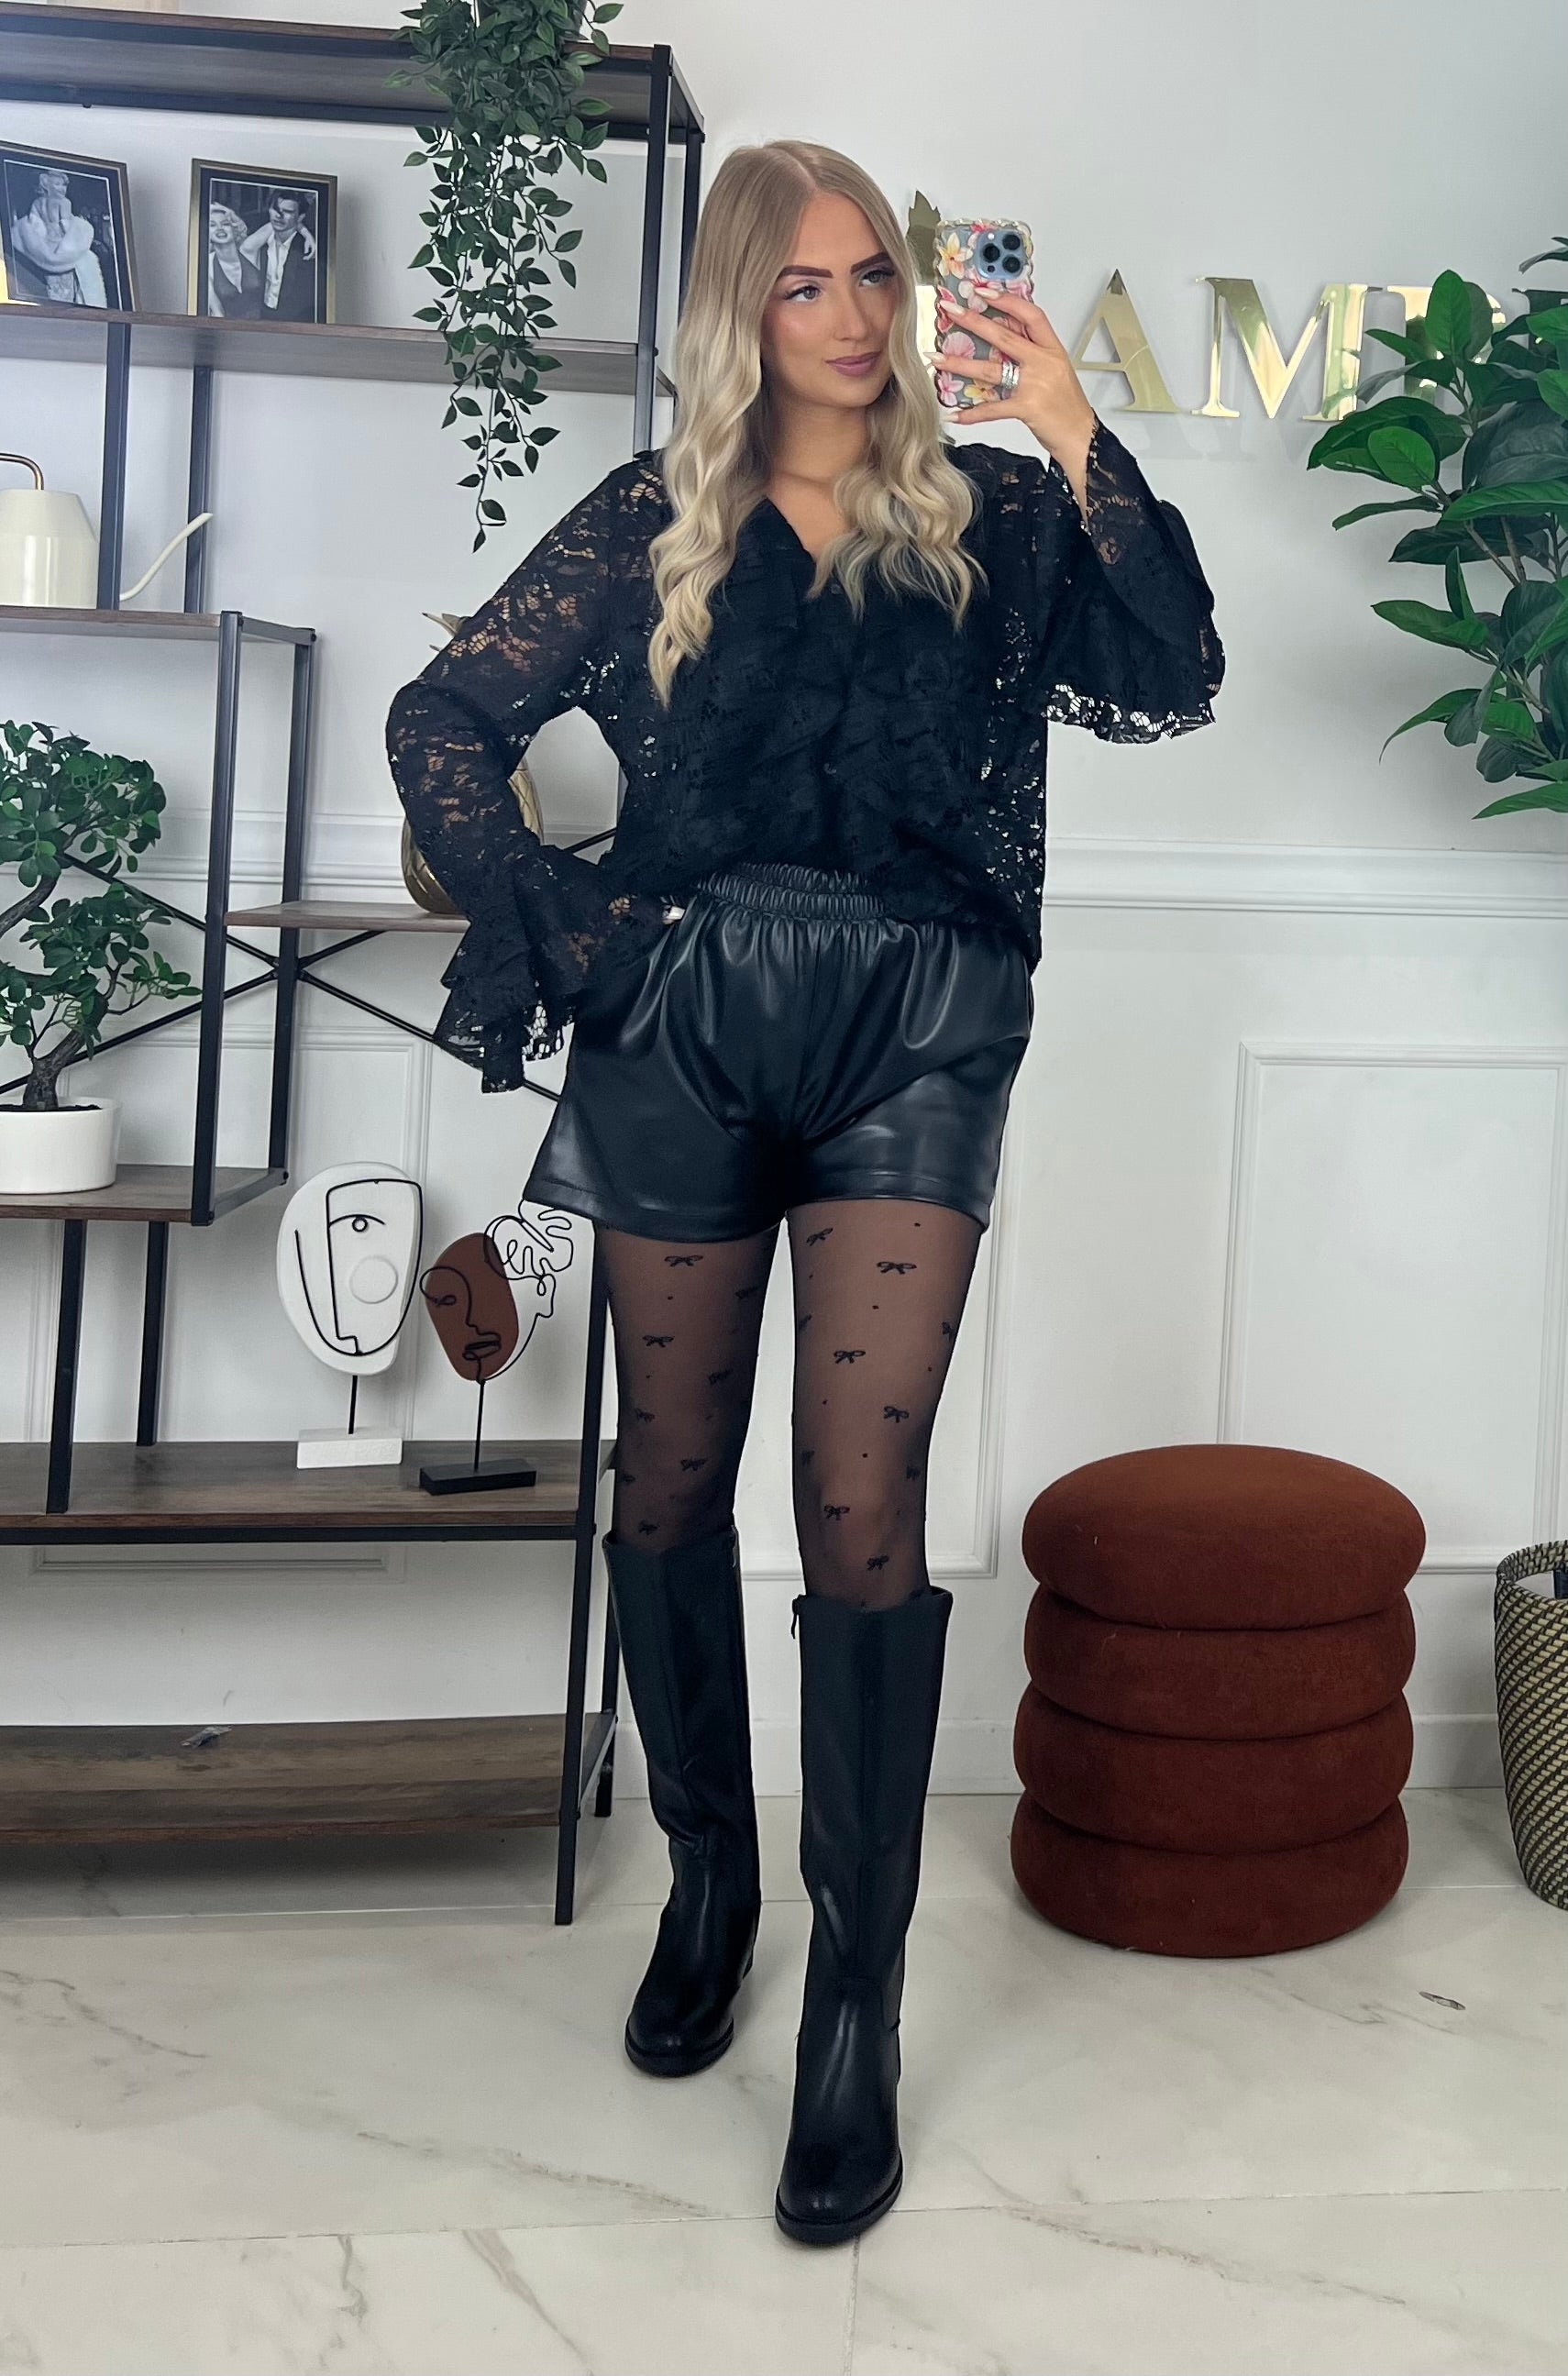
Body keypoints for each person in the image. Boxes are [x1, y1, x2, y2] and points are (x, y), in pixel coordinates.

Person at [384, 139, 1224, 2248]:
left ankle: (857, 1995)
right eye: (804, 286)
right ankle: (712, 1888)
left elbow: (1173, 669)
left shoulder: (996, 513)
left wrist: (1077, 427)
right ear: (738, 315)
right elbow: (444, 714)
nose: (852, 320)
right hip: (680, 1024)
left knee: (859, 1502)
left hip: (917, 1029)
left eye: (874, 278)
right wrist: (565, 928)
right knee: (670, 1488)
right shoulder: (655, 519)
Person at [9, 167, 108, 306]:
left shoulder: (37, 203)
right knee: (71, 282)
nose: (62, 189)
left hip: (45, 246)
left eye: (63, 185)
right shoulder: (64, 202)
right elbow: (66, 224)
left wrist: (41, 235)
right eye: (57, 184)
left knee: (54, 289)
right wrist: (78, 230)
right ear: (46, 185)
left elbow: (34, 221)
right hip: (60, 244)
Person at [238, 190, 317, 322]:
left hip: (293, 323)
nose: (279, 215)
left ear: (300, 218)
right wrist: (302, 229)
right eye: (275, 209)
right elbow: (245, 248)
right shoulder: (261, 244)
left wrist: (304, 232)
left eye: (288, 211)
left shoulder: (307, 249)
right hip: (262, 319)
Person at [204, 202, 266, 320]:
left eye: (225, 224)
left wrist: (304, 231)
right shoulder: (207, 265)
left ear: (234, 228)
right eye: (212, 225)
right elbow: (217, 313)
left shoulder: (248, 251)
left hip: (266, 327)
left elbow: (275, 225)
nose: (220, 229)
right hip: (230, 329)